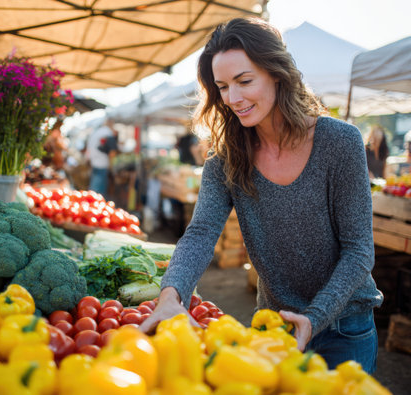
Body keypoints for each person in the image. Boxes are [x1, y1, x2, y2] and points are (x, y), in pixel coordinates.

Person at [140, 17, 383, 373]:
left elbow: (359, 249)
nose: (233, 98)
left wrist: (314, 318)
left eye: (244, 81)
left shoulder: (340, 142)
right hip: (274, 328)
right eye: (222, 87)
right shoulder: (225, 159)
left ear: (276, 73)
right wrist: (170, 294)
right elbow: (201, 234)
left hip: (344, 329)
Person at [86, 118, 119, 198]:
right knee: (98, 189)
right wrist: (112, 166)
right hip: (102, 163)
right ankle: (93, 204)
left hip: (94, 161)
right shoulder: (108, 133)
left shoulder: (97, 132)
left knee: (94, 186)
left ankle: (90, 202)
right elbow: (112, 152)